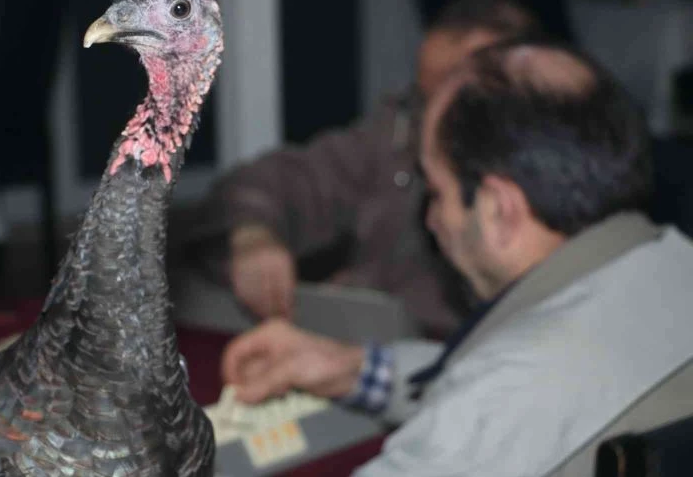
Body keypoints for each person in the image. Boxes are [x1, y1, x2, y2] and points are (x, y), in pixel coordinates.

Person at [219, 38, 693, 476]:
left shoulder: (498, 402)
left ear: (498, 211)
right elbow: (554, 368)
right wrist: (352, 369)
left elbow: (501, 395)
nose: (431, 220)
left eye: (437, 192)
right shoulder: (674, 266)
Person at [199, 0, 543, 338]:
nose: (431, 115)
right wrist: (251, 234)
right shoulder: (398, 132)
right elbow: (275, 181)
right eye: (425, 95)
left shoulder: (549, 178)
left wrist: (369, 295)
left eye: (455, 97)